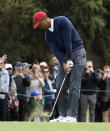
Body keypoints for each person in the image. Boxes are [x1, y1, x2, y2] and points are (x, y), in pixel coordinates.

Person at [33, 11, 86, 122]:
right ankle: (63, 114)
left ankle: (71, 116)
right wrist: (63, 63)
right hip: (65, 57)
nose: (39, 27)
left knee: (74, 85)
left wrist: (69, 59)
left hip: (78, 52)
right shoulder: (48, 35)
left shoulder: (62, 21)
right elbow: (55, 50)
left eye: (39, 24)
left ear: (45, 20)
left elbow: (68, 41)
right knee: (59, 85)